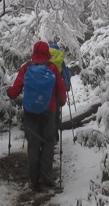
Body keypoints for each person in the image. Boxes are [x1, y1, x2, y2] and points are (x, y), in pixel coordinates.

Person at [8, 41, 67, 191]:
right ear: (47, 52)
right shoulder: (52, 68)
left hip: (31, 111)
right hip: (49, 110)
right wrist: (61, 101)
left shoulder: (26, 68)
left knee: (33, 144)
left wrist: (11, 93)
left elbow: (15, 90)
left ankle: (34, 180)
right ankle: (45, 178)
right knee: (48, 142)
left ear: (33, 52)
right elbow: (61, 90)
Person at [49, 43, 72, 140]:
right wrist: (67, 86)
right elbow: (65, 73)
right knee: (56, 110)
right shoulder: (59, 59)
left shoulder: (46, 57)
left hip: (47, 89)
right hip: (57, 90)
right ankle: (55, 133)